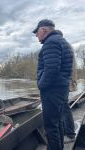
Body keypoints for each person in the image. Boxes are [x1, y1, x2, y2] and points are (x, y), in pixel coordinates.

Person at [33, 19, 74, 150]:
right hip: (61, 88)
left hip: (52, 90)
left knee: (50, 126)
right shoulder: (62, 41)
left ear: (43, 30)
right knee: (58, 122)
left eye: (36, 32)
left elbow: (51, 69)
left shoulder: (50, 43)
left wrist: (41, 85)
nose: (36, 36)